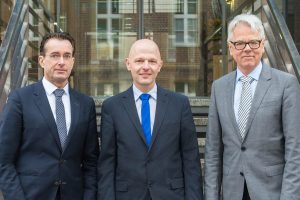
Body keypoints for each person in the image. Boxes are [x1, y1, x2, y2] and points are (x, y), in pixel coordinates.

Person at [204, 13, 300, 200]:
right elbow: (213, 153)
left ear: (263, 44)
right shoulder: (219, 87)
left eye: (253, 42)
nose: (247, 49)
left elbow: (295, 149)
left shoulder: (286, 84)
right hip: (232, 192)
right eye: (240, 43)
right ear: (231, 48)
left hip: (271, 193)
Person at [98, 39, 203, 200]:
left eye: (152, 61)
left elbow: (191, 160)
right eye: (139, 60)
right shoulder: (112, 107)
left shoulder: (179, 104)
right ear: (128, 64)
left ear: (160, 65)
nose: (146, 66)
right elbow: (107, 163)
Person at [0, 32, 99, 200]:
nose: (61, 62)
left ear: (73, 62)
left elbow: (91, 162)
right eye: (54, 55)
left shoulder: (85, 104)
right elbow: (4, 161)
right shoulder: (20, 100)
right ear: (41, 60)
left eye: (67, 56)